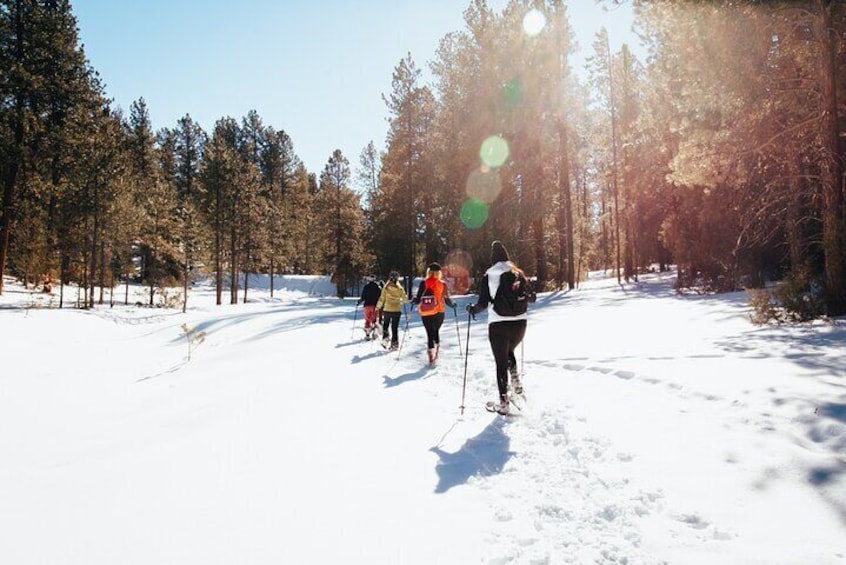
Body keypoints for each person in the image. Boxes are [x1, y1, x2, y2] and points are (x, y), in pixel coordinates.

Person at [466, 240, 532, 415]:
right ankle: (517, 385)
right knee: (509, 352)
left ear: (492, 258)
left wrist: (472, 309)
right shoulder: (517, 272)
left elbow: (483, 303)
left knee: (501, 361)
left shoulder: (489, 274)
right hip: (520, 324)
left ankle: (504, 402)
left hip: (499, 324)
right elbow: (531, 297)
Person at [411, 262, 457, 365]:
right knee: (435, 331)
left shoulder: (424, 283)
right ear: (439, 273)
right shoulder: (442, 284)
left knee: (429, 332)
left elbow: (418, 299)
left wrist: (414, 301)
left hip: (425, 312)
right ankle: (436, 353)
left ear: (429, 272)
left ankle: (430, 354)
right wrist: (453, 305)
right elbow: (447, 300)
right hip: (439, 311)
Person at [376, 271, 408, 351]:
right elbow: (405, 299)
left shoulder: (386, 287)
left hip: (387, 309)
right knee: (394, 327)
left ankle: (385, 339)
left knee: (386, 325)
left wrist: (378, 307)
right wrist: (401, 301)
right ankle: (394, 344)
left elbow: (382, 298)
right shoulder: (400, 287)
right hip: (397, 310)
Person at [357, 275, 382, 340]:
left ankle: (367, 334)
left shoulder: (366, 287)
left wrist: (359, 302)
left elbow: (363, 297)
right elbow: (381, 298)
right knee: (374, 320)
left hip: (367, 306)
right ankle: (375, 333)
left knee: (367, 320)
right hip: (375, 306)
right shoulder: (378, 288)